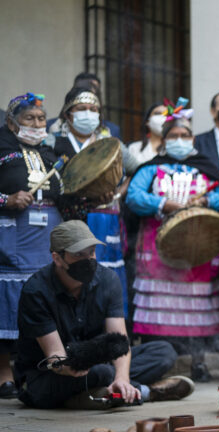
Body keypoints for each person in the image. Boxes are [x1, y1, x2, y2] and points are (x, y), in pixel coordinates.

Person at [14, 220, 193, 409]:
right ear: (57, 258)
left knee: (164, 352)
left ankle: (107, 392)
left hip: (95, 363)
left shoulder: (108, 280)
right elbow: (55, 359)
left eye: (91, 252)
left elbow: (120, 342)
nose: (88, 259)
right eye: (79, 254)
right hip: (47, 375)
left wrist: (122, 378)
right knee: (103, 372)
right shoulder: (36, 291)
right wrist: (81, 365)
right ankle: (146, 392)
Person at [126, 105, 219, 382]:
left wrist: (207, 200)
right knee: (159, 303)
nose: (180, 139)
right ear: (165, 139)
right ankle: (158, 360)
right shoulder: (151, 169)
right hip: (158, 248)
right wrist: (162, 203)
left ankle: (199, 361)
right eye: (175, 135)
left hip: (198, 250)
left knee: (197, 304)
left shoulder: (206, 168)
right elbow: (134, 196)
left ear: (193, 140)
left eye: (185, 135)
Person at [49, 86, 133, 317]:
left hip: (104, 218)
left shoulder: (111, 144)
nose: (88, 113)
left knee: (105, 274)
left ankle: (110, 327)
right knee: (72, 273)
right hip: (67, 218)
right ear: (68, 114)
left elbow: (137, 169)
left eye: (93, 109)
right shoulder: (52, 143)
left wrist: (116, 194)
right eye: (81, 109)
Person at [0, 93, 63, 399]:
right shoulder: (2, 149)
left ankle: (36, 369)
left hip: (46, 237)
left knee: (42, 301)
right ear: (12, 123)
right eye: (29, 119)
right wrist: (6, 200)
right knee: (9, 304)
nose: (37, 124)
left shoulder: (51, 155)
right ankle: (4, 374)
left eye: (41, 119)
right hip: (13, 237)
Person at [47, 72, 121, 140]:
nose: (89, 96)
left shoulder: (111, 131)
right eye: (83, 90)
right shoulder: (52, 128)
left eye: (95, 91)